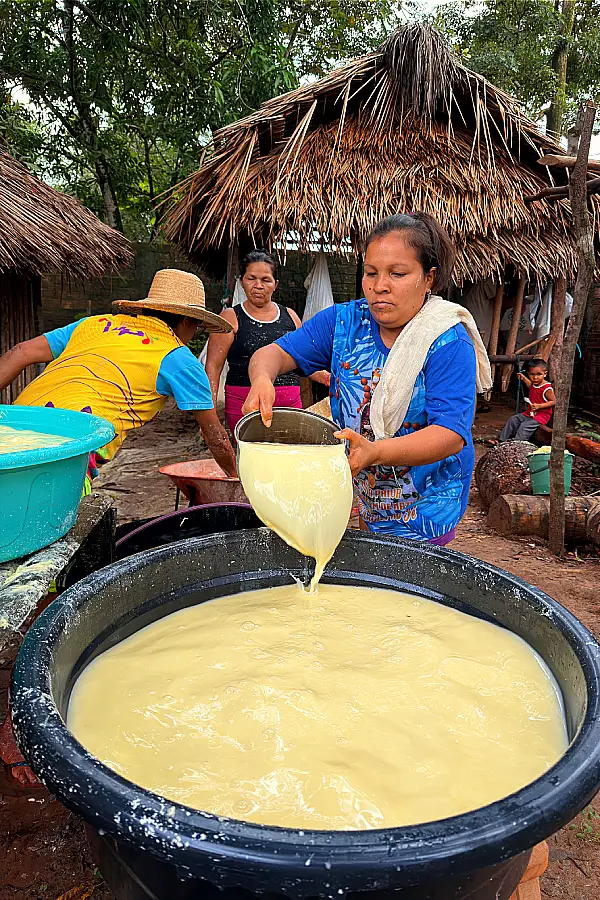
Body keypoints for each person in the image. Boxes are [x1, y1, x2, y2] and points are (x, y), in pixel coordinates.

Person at [242, 213, 491, 544]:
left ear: (428, 278)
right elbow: (270, 354)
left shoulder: (446, 341)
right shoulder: (345, 323)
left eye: (397, 274)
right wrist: (262, 379)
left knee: (409, 586)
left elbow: (449, 435)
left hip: (428, 504)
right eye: (371, 273)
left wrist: (376, 452)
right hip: (367, 490)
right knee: (371, 570)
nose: (379, 286)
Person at [0, 269, 237, 485]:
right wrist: (235, 478)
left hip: (14, 425)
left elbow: (20, 352)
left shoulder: (94, 325)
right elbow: (214, 435)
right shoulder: (178, 358)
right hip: (70, 445)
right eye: (198, 326)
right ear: (187, 320)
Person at [205, 250, 329, 434]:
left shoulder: (290, 316)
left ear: (275, 284)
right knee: (251, 458)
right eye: (251, 278)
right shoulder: (231, 317)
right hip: (245, 405)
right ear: (241, 281)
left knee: (289, 456)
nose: (258, 286)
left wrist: (328, 377)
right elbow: (213, 367)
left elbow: (305, 359)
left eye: (266, 280)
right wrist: (210, 411)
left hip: (289, 405)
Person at [499, 359, 555, 443]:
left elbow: (554, 401)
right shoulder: (534, 384)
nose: (535, 377)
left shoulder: (547, 388)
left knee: (525, 425)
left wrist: (540, 406)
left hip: (542, 415)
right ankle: (501, 440)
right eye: (532, 374)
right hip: (530, 413)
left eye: (539, 374)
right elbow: (530, 386)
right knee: (513, 419)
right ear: (528, 374)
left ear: (545, 374)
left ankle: (518, 443)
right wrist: (523, 378)